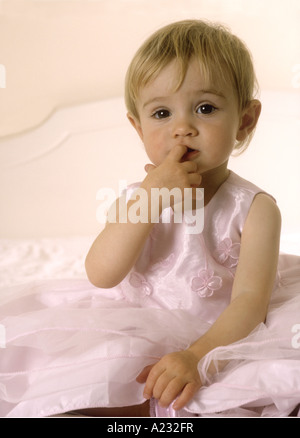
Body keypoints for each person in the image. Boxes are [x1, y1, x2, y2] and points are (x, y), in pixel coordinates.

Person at [1, 19, 300, 418]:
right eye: (161, 113)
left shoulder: (257, 209)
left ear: (245, 120)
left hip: (219, 336)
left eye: (205, 108)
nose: (182, 129)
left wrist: (196, 356)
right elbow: (101, 273)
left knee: (261, 390)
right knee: (78, 390)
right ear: (137, 126)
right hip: (137, 324)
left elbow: (249, 304)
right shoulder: (138, 198)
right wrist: (150, 197)